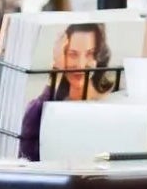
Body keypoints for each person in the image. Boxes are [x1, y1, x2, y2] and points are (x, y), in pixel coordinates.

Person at [18, 23, 116, 162]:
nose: (81, 64)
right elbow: (28, 156)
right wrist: (57, 69)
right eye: (72, 54)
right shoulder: (42, 108)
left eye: (89, 53)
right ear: (61, 56)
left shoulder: (113, 99)